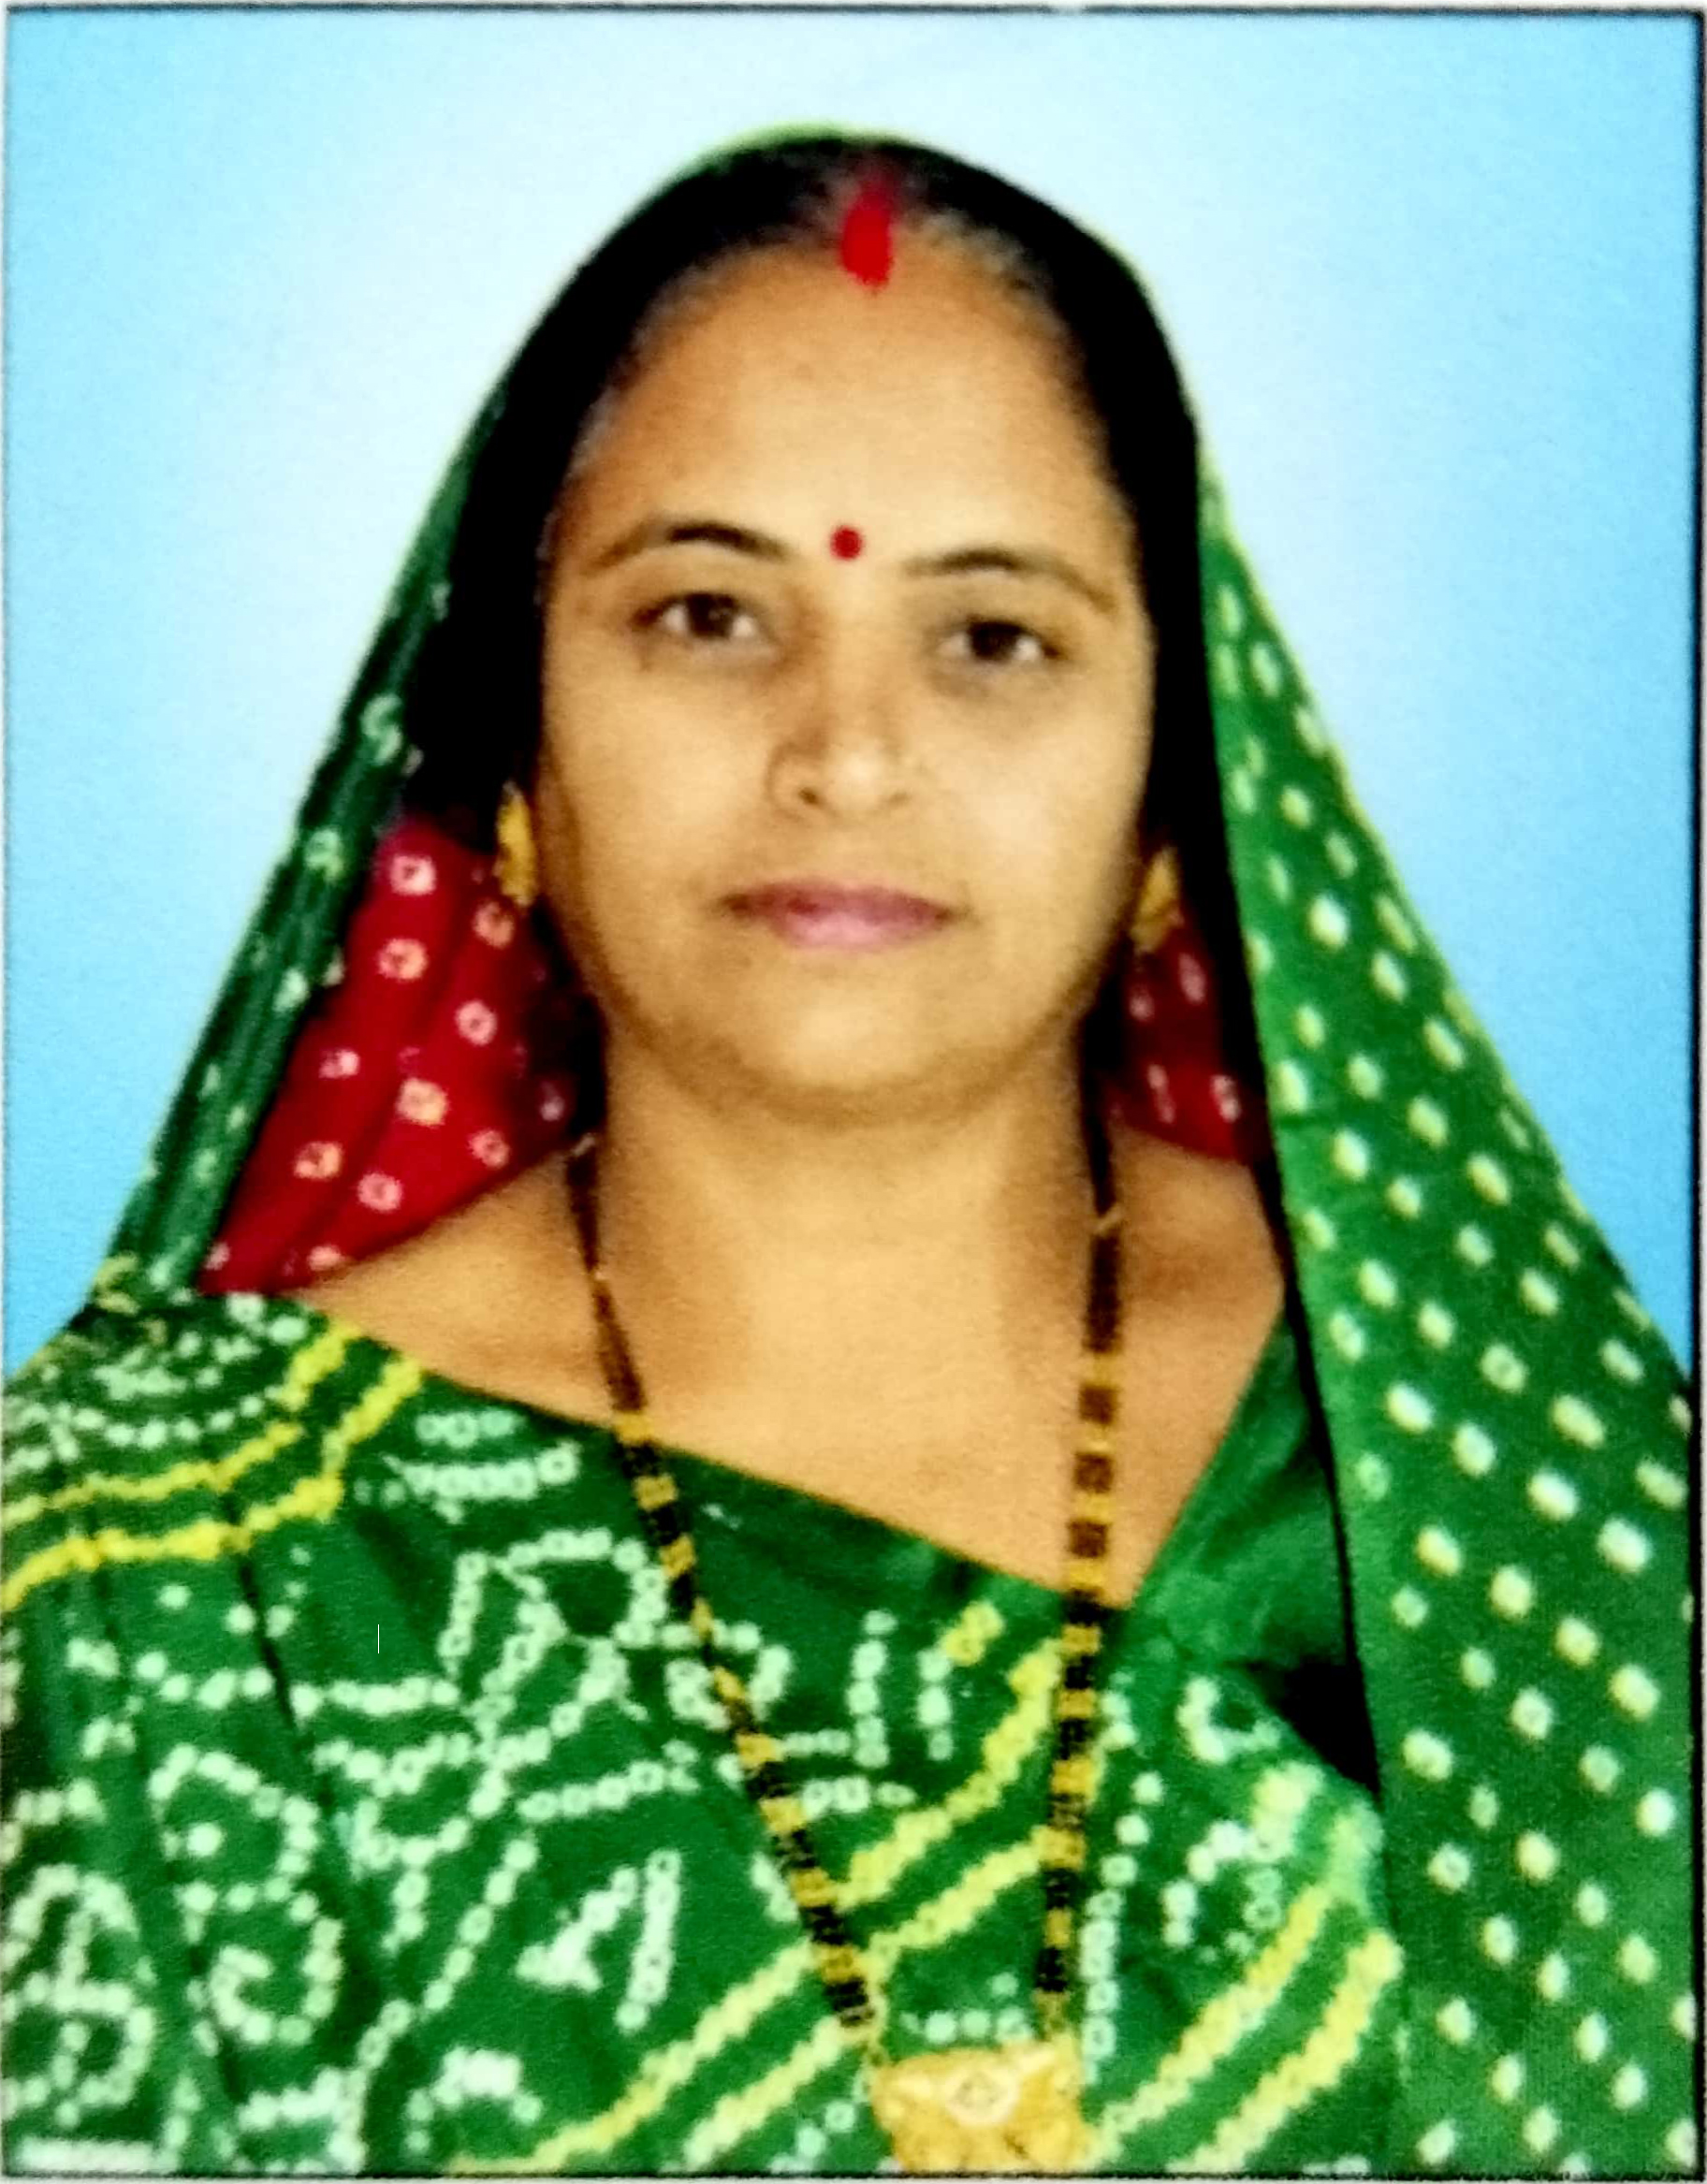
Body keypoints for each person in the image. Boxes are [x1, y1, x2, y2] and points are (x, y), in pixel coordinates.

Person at [1, 134, 1695, 2178]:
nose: (849, 752)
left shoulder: (1485, 1463)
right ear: (513, 744)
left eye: (992, 638)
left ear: (1180, 787)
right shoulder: (162, 1564)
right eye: (710, 614)